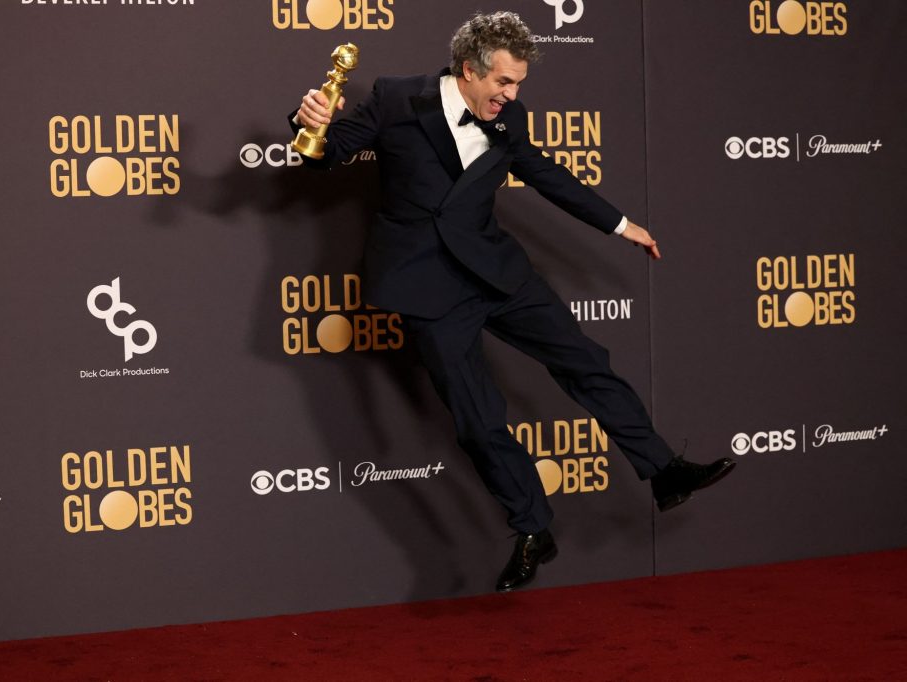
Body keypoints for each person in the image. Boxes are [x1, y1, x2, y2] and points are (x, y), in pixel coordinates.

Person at [290, 11, 734, 592]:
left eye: (519, 83)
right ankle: (532, 527)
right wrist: (311, 124)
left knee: (585, 361)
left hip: (497, 273)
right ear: (468, 69)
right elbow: (329, 153)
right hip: (428, 286)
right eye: (503, 82)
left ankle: (663, 470)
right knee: (477, 419)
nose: (512, 95)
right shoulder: (396, 98)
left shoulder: (510, 117)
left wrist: (620, 224)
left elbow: (546, 174)